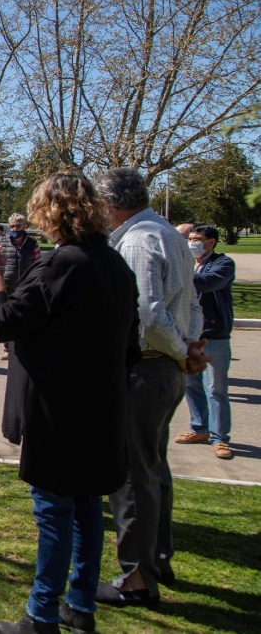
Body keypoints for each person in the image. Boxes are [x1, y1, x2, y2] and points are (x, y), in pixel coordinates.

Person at [0, 171, 141, 634]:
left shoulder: (61, 264)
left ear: (50, 212)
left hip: (59, 413)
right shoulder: (115, 265)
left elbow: (7, 322)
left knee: (55, 513)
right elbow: (130, 346)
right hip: (102, 410)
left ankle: (41, 615)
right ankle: (80, 607)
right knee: (88, 509)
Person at [94, 167, 207, 608]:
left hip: (147, 367)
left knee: (132, 474)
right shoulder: (169, 233)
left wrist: (181, 351)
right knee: (154, 467)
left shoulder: (139, 240)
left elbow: (150, 314)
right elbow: (191, 305)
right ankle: (157, 558)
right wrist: (191, 345)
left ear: (111, 203)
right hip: (168, 366)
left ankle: (138, 579)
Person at [177, 224, 236, 460]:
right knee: (191, 385)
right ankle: (199, 428)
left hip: (214, 334)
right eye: (190, 238)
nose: (192, 242)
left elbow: (209, 282)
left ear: (211, 242)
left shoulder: (224, 263)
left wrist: (177, 275)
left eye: (197, 238)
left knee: (216, 389)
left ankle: (220, 438)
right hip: (189, 334)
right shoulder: (185, 262)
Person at [0, 213, 41, 359]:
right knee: (8, 318)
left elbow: (37, 264)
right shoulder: (1, 242)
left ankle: (23, 348)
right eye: (12, 226)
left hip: (25, 287)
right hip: (6, 285)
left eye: (18, 226)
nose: (15, 228)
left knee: (24, 319)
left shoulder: (32, 244)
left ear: (25, 226)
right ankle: (8, 349)